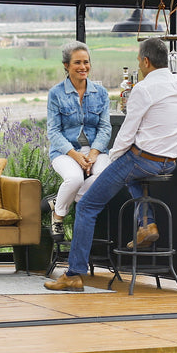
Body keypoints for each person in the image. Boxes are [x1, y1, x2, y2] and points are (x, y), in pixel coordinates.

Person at [46, 36, 177, 291]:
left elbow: (126, 134)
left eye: (138, 61)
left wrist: (112, 159)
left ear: (146, 61)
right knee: (133, 177)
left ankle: (74, 273)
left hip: (142, 160)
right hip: (169, 164)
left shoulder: (143, 89)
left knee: (87, 206)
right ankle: (146, 224)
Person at [46, 40, 112, 238]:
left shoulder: (100, 93)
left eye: (86, 62)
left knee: (106, 176)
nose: (83, 67)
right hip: (65, 152)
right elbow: (54, 132)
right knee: (74, 178)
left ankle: (60, 199)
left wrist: (93, 153)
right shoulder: (56, 94)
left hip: (95, 151)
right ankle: (58, 216)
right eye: (77, 63)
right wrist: (76, 155)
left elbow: (105, 127)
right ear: (66, 66)